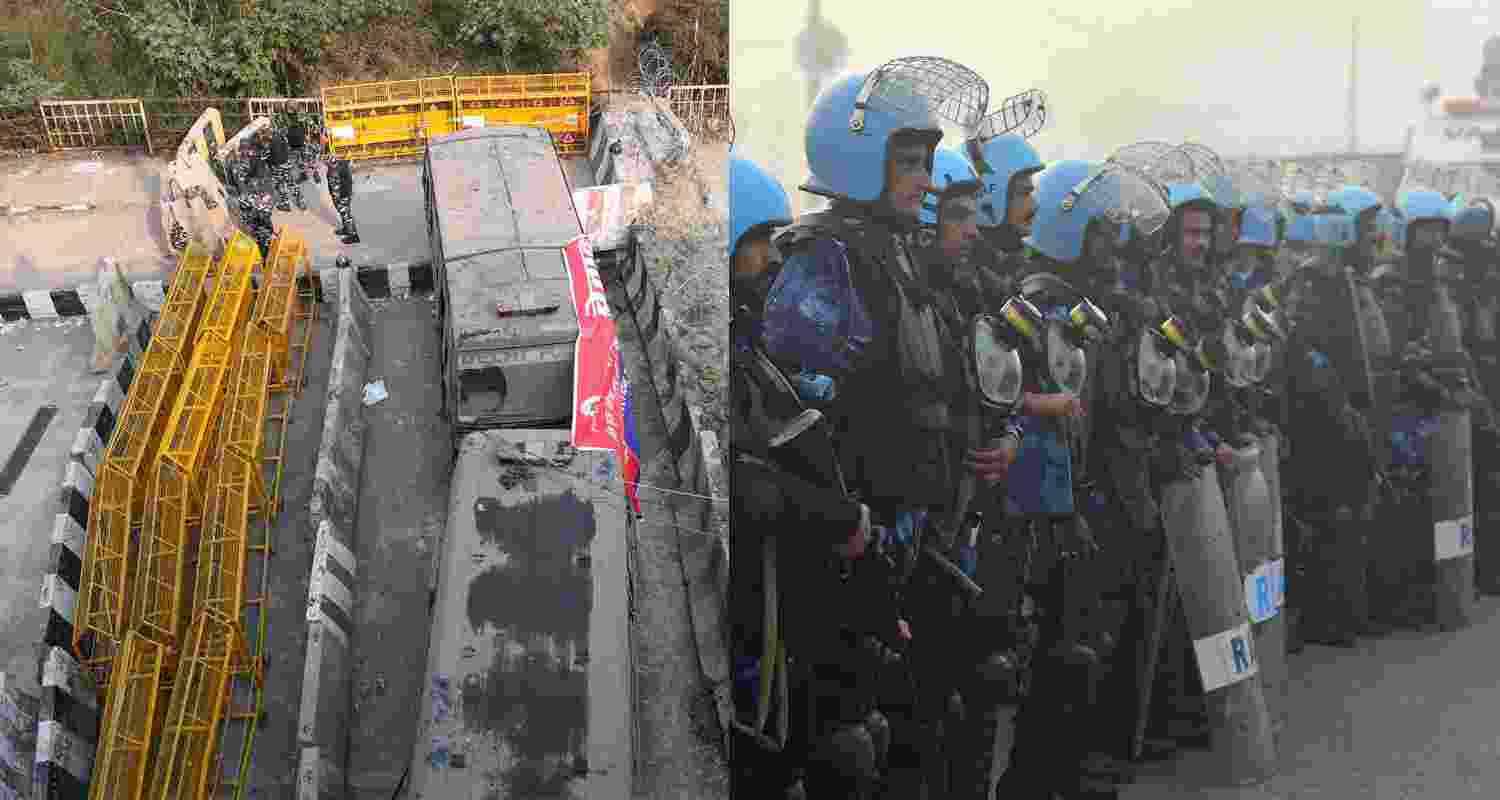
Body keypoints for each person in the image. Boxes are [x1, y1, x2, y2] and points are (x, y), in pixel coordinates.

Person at [763, 59, 1008, 798]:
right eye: (909, 163)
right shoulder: (826, 261)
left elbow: (941, 386)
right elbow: (798, 421)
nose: (926, 181)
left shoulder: (902, 257)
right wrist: (850, 525)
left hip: (918, 528)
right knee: (857, 742)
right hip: (857, 548)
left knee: (933, 718)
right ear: (859, 159)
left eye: (928, 162)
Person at [995, 159, 1170, 800]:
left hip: (1080, 500)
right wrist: (1067, 510)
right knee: (1057, 652)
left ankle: (1065, 772)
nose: (1112, 245)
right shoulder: (1043, 304)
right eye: (1100, 232)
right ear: (1072, 232)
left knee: (1079, 646)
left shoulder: (1081, 305)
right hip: (1048, 513)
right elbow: (1040, 415)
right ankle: (1039, 779)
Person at [729, 150, 889, 800]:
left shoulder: (756, 344)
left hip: (797, 605)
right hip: (757, 617)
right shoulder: (732, 354)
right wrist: (836, 517)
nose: (772, 262)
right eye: (757, 244)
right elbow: (750, 481)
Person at [1281, 195, 1385, 646]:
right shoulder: (1307, 284)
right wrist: (1341, 408)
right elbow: (1308, 354)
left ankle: (1349, 612)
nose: (1371, 237)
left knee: (1350, 515)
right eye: (1364, 228)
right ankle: (1326, 619)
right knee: (1328, 517)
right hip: (1321, 421)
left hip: (1349, 412)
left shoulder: (1344, 280)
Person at [326, 140, 359, 244]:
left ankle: (353, 236)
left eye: (329, 164)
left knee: (346, 214)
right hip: (345, 193)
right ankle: (346, 229)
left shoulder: (334, 171)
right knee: (344, 213)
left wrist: (336, 199)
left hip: (342, 195)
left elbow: (335, 188)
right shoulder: (342, 164)